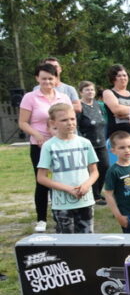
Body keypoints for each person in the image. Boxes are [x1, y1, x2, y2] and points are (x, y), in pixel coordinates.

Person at [19, 63, 73, 232]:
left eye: (51, 78)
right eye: (44, 79)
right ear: (37, 78)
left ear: (56, 79)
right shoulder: (30, 97)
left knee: (61, 180)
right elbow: (22, 122)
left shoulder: (63, 97)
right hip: (40, 146)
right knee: (43, 181)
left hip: (62, 144)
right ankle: (41, 218)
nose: (47, 82)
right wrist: (37, 135)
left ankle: (61, 215)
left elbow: (70, 119)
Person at [36, 103, 99, 234]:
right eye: (64, 120)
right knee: (66, 242)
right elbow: (41, 178)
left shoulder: (85, 143)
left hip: (85, 200)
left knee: (88, 239)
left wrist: (87, 185)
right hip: (62, 203)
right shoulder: (49, 146)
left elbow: (94, 171)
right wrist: (68, 189)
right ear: (53, 123)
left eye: (72, 119)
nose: (69, 123)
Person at [77, 80, 109, 205]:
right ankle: (94, 195)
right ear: (81, 92)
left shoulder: (98, 105)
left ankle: (97, 192)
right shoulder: (79, 106)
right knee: (90, 170)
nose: (90, 92)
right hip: (87, 144)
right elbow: (77, 126)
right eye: (87, 90)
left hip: (101, 142)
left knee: (104, 167)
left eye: (92, 89)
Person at [103, 64, 130, 140]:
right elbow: (117, 109)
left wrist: (128, 115)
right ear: (113, 78)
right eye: (119, 76)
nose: (123, 78)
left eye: (124, 75)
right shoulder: (108, 93)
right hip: (116, 138)